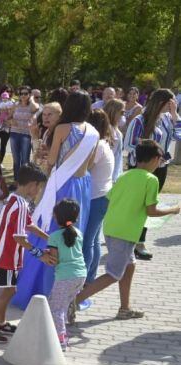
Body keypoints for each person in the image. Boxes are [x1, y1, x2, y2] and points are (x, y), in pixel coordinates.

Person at [74, 140, 181, 319]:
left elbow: (111, 198)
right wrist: (173, 209)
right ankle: (75, 301)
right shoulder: (151, 180)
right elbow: (151, 211)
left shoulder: (124, 175)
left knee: (129, 266)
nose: (159, 164)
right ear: (155, 159)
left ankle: (125, 308)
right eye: (160, 160)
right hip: (125, 233)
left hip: (111, 229)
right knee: (114, 274)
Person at [13, 91, 99, 310]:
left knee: (49, 231)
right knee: (72, 235)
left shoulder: (62, 128)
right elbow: (90, 164)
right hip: (82, 185)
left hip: (62, 184)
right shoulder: (94, 132)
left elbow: (51, 162)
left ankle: (41, 288)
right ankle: (68, 292)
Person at [0, 163, 51, 343]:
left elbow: (28, 225)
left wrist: (48, 237)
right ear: (31, 184)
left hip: (0, 254)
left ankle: (0, 322)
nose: (38, 191)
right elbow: (19, 237)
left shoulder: (14, 199)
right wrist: (39, 253)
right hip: (7, 256)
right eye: (39, 187)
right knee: (9, 291)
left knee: (8, 289)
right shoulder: (21, 206)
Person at [122, 88, 181, 259]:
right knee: (136, 206)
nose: (171, 107)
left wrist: (175, 115)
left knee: (149, 206)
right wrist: (150, 156)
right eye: (169, 103)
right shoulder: (140, 120)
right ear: (160, 102)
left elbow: (179, 136)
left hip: (160, 168)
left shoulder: (168, 119)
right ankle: (130, 240)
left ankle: (139, 242)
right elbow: (129, 145)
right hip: (141, 169)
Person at [42, 199, 87, 349]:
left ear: (56, 217)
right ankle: (57, 327)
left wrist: (43, 255)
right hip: (80, 275)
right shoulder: (78, 233)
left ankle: (60, 339)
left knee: (56, 309)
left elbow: (54, 260)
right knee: (58, 302)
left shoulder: (54, 237)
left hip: (65, 277)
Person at [82, 110, 115, 286]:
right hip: (101, 195)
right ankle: (89, 279)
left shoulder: (98, 145)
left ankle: (84, 281)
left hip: (97, 197)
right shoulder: (103, 143)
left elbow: (86, 167)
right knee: (93, 240)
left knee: (88, 240)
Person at [9, 86, 40, 175]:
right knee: (16, 159)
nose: (23, 95)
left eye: (25, 93)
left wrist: (32, 99)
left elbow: (36, 108)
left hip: (26, 135)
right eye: (21, 93)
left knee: (25, 159)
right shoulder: (15, 105)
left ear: (30, 95)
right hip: (14, 134)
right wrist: (11, 121)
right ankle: (16, 181)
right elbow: (8, 117)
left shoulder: (32, 105)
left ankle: (24, 182)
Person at [30, 102, 62, 169]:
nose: (46, 117)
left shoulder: (61, 134)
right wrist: (35, 137)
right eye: (44, 115)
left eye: (49, 114)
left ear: (59, 116)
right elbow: (37, 159)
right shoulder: (46, 132)